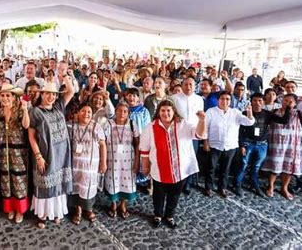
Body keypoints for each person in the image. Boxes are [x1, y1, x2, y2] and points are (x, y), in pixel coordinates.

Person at [140, 100, 206, 229]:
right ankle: (158, 215)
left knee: (174, 195)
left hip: (180, 170)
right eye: (163, 110)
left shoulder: (183, 124)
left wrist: (202, 121)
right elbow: (144, 149)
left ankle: (169, 215)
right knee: (158, 195)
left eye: (168, 110)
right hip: (159, 170)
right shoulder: (151, 127)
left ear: (174, 111)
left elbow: (199, 134)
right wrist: (145, 166)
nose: (166, 113)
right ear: (158, 112)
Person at [28, 79, 75, 229]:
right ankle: (42, 215)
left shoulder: (58, 106)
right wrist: (38, 156)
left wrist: (64, 76)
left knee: (59, 182)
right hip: (45, 154)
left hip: (62, 154)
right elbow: (31, 136)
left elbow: (71, 91)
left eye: (54, 94)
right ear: (42, 94)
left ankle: (56, 212)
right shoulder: (35, 111)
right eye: (48, 93)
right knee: (45, 183)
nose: (51, 97)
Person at [235, 93, 289, 197]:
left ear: (263, 102)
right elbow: (240, 131)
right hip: (248, 143)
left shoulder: (268, 114)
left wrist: (287, 108)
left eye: (260, 101)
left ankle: (254, 184)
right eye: (254, 100)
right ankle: (237, 184)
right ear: (251, 102)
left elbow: (284, 121)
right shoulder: (245, 113)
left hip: (262, 145)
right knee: (243, 165)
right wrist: (241, 145)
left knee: (256, 166)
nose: (257, 103)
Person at [203, 91, 255, 198]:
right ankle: (208, 187)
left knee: (225, 168)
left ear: (230, 101)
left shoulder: (235, 112)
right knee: (211, 167)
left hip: (230, 146)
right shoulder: (211, 111)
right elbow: (205, 128)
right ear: (218, 100)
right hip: (214, 145)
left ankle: (222, 188)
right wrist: (205, 142)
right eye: (222, 99)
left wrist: (249, 112)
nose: (225, 101)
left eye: (227, 99)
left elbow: (249, 122)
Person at [0, 84, 30, 224]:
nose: (5, 98)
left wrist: (25, 110)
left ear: (14, 97)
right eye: (3, 95)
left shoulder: (20, 111)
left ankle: (20, 210)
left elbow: (26, 125)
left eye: (8, 95)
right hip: (3, 152)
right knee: (6, 180)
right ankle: (11, 208)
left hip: (19, 152)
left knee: (19, 181)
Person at [261, 94, 302, 200]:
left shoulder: (299, 113)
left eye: (291, 101)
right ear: (282, 101)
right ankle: (271, 186)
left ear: (295, 103)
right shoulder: (274, 112)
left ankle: (284, 188)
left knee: (288, 167)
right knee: (274, 165)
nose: (288, 103)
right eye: (286, 100)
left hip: (292, 145)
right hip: (276, 143)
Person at [68, 103, 107, 225]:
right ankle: (78, 210)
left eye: (89, 112)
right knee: (76, 186)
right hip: (74, 165)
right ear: (78, 112)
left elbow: (102, 145)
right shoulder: (71, 125)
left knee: (88, 186)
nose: (86, 114)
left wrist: (103, 163)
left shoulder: (96, 127)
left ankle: (89, 209)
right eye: (83, 111)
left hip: (91, 165)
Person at [104, 103, 139, 219]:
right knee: (113, 181)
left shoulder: (132, 124)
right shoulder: (108, 124)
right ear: (115, 111)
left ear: (128, 113)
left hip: (128, 160)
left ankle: (123, 204)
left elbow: (137, 143)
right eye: (119, 110)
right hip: (112, 160)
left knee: (127, 182)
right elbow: (102, 142)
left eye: (125, 111)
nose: (122, 113)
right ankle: (113, 204)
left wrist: (137, 161)